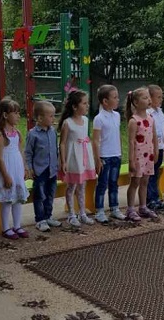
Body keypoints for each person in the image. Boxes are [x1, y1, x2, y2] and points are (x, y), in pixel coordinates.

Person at [0, 98, 30, 239]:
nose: (18, 116)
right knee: (7, 199)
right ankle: (6, 228)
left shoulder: (17, 133)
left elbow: (20, 151)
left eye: (19, 113)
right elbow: (0, 158)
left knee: (17, 198)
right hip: (6, 169)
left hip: (16, 168)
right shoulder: (0, 136)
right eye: (15, 113)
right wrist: (6, 175)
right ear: (5, 115)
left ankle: (17, 226)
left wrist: (24, 167)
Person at [58, 90, 96, 227]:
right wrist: (63, 161)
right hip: (73, 158)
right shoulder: (67, 123)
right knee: (72, 186)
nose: (87, 106)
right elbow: (62, 143)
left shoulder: (85, 120)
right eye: (84, 103)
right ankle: (71, 215)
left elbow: (85, 138)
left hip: (84, 156)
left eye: (87, 103)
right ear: (75, 106)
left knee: (82, 186)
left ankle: (82, 213)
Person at [25, 101, 62, 232]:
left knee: (50, 194)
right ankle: (40, 220)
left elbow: (55, 149)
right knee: (40, 196)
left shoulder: (53, 132)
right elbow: (28, 152)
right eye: (51, 116)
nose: (53, 118)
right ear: (40, 118)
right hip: (40, 171)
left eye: (54, 115)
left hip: (52, 170)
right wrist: (29, 168)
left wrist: (58, 163)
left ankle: (48, 216)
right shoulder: (33, 134)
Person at [92, 84, 126, 223]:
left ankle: (114, 208)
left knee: (114, 183)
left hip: (116, 155)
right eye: (115, 97)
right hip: (105, 156)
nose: (118, 99)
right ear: (105, 101)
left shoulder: (117, 115)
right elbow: (95, 140)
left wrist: (120, 152)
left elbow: (117, 135)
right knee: (102, 184)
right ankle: (99, 210)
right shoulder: (99, 118)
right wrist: (97, 159)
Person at [125, 88, 159, 222]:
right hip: (138, 156)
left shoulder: (151, 118)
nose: (148, 100)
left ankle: (143, 207)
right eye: (145, 98)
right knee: (135, 182)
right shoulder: (134, 121)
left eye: (148, 97)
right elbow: (131, 142)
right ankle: (130, 209)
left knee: (145, 181)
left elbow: (154, 136)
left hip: (148, 155)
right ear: (135, 102)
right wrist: (131, 160)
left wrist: (156, 151)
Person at [146, 85, 164, 210]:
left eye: (161, 97)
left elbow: (163, 128)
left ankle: (155, 197)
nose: (161, 99)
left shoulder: (160, 111)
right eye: (158, 97)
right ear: (150, 98)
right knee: (150, 174)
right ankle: (150, 199)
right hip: (151, 148)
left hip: (160, 147)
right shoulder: (148, 113)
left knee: (156, 172)